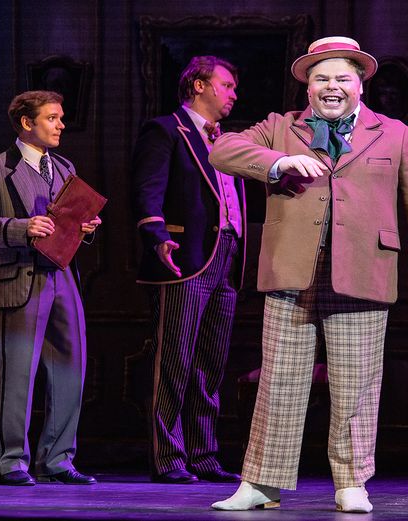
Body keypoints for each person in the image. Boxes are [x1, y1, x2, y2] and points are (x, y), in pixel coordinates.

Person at [209, 36, 408, 512]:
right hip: (291, 270)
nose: (331, 86)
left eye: (342, 77)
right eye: (321, 78)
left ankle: (352, 482)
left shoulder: (393, 133)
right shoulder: (281, 127)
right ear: (308, 87)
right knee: (279, 380)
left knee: (356, 383)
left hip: (362, 269)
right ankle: (262, 483)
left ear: (360, 84)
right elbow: (224, 150)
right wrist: (278, 161)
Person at [0, 90, 101, 486]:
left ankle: (57, 459)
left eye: (60, 118)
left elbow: (66, 220)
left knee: (70, 369)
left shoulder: (64, 166)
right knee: (17, 373)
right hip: (19, 276)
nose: (61, 125)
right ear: (27, 122)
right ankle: (11, 461)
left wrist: (84, 228)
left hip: (62, 276)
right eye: (52, 118)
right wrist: (20, 228)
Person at [131, 56, 246, 484]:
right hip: (185, 256)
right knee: (174, 360)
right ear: (199, 85)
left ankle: (203, 455)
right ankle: (168, 457)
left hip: (225, 255)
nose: (234, 95)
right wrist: (156, 235)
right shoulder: (166, 130)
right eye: (227, 85)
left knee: (209, 364)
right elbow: (147, 190)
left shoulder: (228, 141)